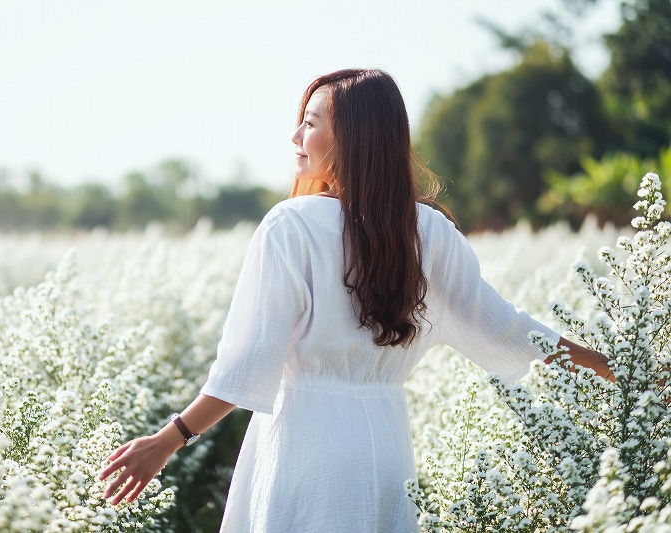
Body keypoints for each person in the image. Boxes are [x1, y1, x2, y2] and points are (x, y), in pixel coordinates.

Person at [98, 68, 614, 532]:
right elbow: (502, 327)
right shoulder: (430, 230)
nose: (296, 136)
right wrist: (612, 367)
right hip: (387, 452)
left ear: (352, 138)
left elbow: (249, 362)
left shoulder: (290, 224)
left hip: (302, 446)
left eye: (311, 122)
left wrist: (169, 438)